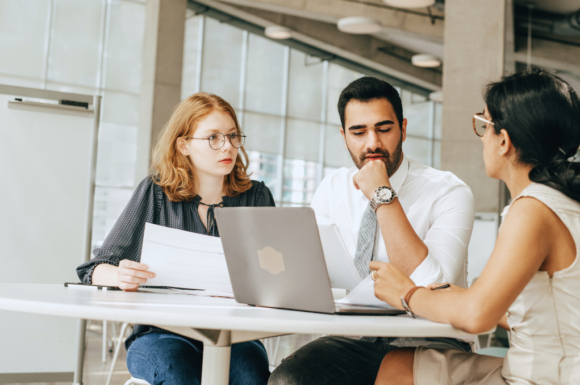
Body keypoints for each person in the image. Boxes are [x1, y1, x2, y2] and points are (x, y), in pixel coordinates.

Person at [372, 69, 580, 385]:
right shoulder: (565, 202)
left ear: (504, 141)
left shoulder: (533, 210)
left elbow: (475, 317)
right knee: (401, 364)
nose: (482, 137)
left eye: (484, 125)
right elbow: (556, 312)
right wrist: (462, 296)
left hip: (543, 379)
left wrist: (407, 294)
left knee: (399, 369)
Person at [269, 77, 475, 385]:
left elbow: (432, 286)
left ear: (403, 128)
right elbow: (313, 274)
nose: (372, 144)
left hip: (432, 336)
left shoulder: (448, 191)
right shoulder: (332, 187)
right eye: (358, 131)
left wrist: (382, 194)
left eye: (383, 128)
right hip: (354, 337)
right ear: (344, 136)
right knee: (288, 379)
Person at [76, 93, 274, 385]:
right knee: (177, 370)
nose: (228, 146)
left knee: (250, 373)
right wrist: (120, 275)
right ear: (183, 145)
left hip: (236, 334)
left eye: (233, 136)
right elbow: (93, 269)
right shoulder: (156, 192)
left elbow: (275, 275)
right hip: (161, 333)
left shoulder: (256, 196)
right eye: (213, 138)